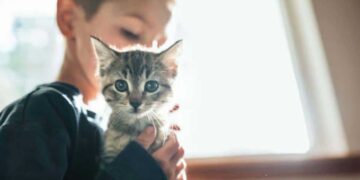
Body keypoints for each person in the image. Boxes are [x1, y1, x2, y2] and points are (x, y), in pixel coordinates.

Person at [0, 0, 186, 179]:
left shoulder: (109, 124)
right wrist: (137, 171)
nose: (143, 53)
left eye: (159, 45)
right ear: (69, 18)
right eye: (132, 33)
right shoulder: (42, 111)